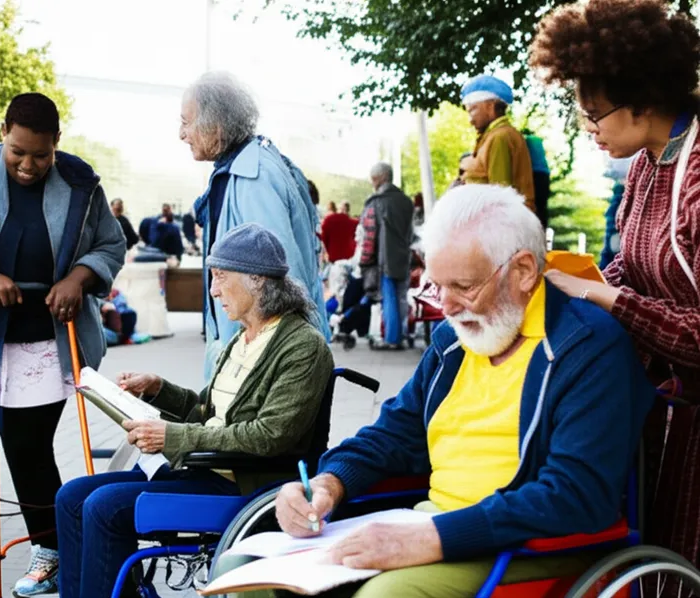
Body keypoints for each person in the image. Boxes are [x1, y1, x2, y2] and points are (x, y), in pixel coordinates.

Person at [266, 185, 653, 598]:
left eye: (464, 286)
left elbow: (575, 494)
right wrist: (329, 483)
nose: (446, 308)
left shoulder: (587, 346)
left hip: (527, 545)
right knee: (256, 572)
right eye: (436, 286)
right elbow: (394, 432)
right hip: (433, 524)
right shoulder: (453, 343)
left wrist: (433, 537)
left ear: (522, 270)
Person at [54, 224, 333, 598]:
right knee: (71, 496)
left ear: (258, 281)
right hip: (205, 464)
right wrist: (158, 389)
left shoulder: (302, 346)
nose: (214, 290)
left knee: (104, 506)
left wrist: (171, 437)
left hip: (243, 479)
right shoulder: (242, 337)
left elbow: (271, 435)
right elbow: (206, 410)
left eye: (220, 278)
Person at [0, 92, 126, 596]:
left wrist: (80, 277)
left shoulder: (81, 183)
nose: (28, 165)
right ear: (3, 133)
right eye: (17, 151)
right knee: (24, 445)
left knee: (26, 444)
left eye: (40, 154)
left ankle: (57, 549)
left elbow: (111, 244)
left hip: (54, 341)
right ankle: (65, 546)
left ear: (57, 143)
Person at [529, 0, 700, 591]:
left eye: (596, 115)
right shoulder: (649, 165)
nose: (590, 130)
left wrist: (599, 297)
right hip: (668, 407)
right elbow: (627, 264)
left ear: (645, 101)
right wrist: (572, 282)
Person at [179, 71, 329, 379]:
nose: (182, 134)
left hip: (260, 362)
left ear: (216, 126)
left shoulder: (255, 176)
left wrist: (265, 363)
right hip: (248, 354)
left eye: (186, 122)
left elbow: (277, 281)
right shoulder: (243, 167)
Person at [460, 75, 536, 212]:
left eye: (472, 109)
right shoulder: (494, 136)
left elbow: (500, 197)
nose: (470, 120)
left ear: (490, 106)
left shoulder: (499, 137)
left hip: (504, 226)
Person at [359, 162, 414, 350]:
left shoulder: (376, 202)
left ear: (380, 178)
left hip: (385, 259)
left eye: (373, 178)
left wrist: (366, 260)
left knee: (389, 298)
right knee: (401, 297)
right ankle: (401, 333)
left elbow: (369, 234)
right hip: (404, 257)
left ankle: (392, 339)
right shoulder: (406, 201)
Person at [522, 129, 551, 228]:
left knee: (535, 204)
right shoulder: (538, 140)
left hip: (534, 172)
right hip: (545, 173)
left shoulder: (526, 140)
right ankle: (543, 228)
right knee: (542, 206)